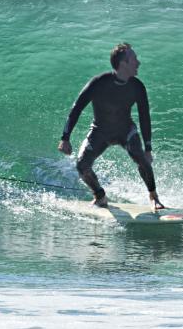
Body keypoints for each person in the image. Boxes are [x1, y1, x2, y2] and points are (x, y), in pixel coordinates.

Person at [58, 43, 164, 210]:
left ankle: (153, 196)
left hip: (125, 130)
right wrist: (65, 138)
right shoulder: (99, 83)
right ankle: (100, 196)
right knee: (82, 166)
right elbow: (76, 108)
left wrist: (148, 148)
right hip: (100, 131)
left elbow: (145, 117)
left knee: (141, 159)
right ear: (123, 64)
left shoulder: (137, 87)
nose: (138, 63)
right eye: (134, 59)